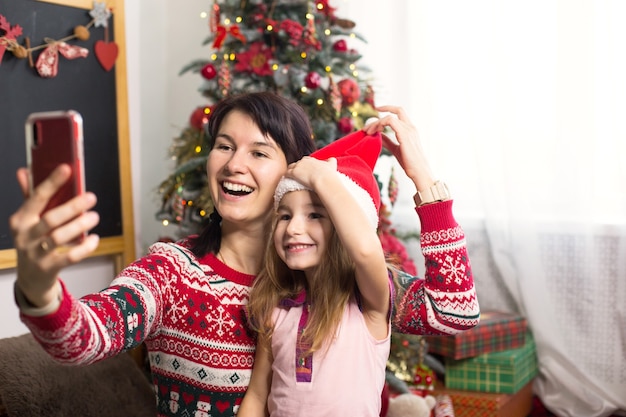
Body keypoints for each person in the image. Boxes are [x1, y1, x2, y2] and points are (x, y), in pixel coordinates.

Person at [9, 92, 479, 417]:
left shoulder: (344, 281)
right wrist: (37, 285)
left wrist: (423, 178)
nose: (234, 164)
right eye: (224, 146)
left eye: (259, 152)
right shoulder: (173, 273)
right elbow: (84, 339)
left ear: (298, 174)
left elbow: (456, 312)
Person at [239, 130, 391, 416]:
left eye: (315, 215)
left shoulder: (367, 306)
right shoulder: (277, 312)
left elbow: (366, 250)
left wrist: (321, 177)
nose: (293, 228)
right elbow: (258, 395)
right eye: (285, 216)